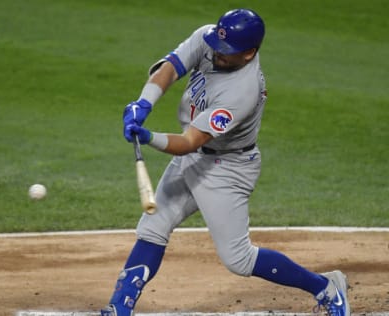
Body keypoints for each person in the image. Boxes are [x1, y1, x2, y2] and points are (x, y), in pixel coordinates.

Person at [101, 9, 350, 316]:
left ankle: (326, 287)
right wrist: (143, 103)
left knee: (239, 259)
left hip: (227, 169)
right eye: (217, 45)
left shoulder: (242, 91)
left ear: (249, 54)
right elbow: (170, 68)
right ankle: (119, 306)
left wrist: (148, 136)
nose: (217, 53)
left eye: (227, 51)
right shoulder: (210, 38)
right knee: (153, 227)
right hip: (195, 156)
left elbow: (190, 142)